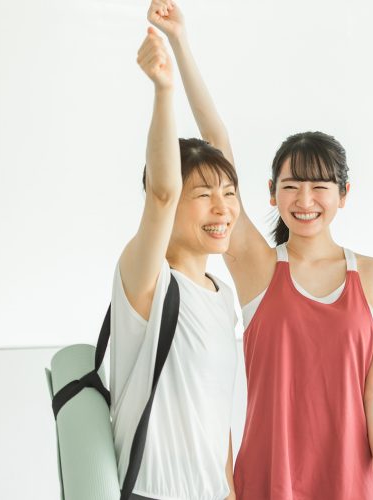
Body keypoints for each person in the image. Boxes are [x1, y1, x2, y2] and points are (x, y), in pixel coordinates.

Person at [146, 1, 373, 498]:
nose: (305, 201)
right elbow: (216, 141)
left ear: (344, 194)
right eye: (291, 186)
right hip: (269, 480)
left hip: (352, 484)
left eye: (320, 187)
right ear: (270, 193)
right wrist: (180, 42)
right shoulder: (258, 267)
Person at [109, 25, 239, 500]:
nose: (223, 208)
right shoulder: (148, 280)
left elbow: (217, 416)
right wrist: (163, 91)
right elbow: (163, 194)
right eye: (203, 195)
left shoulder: (222, 295)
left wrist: (230, 489)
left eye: (229, 193)